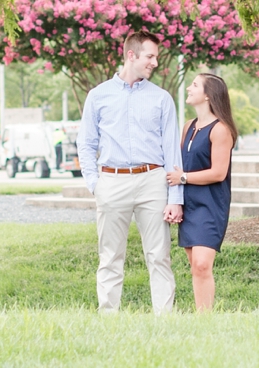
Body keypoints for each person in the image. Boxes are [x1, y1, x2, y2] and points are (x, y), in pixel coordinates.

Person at [78, 32, 184, 313]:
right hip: (111, 181)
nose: (155, 63)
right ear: (131, 55)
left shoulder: (162, 99)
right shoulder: (98, 96)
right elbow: (86, 144)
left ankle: (165, 319)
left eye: (156, 57)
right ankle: (108, 317)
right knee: (110, 256)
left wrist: (176, 197)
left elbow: (172, 151)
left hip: (153, 181)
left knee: (159, 255)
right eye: (150, 56)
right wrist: (95, 184)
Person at [167, 73, 235, 311]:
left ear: (208, 95)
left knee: (203, 264)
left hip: (210, 205)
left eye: (194, 85)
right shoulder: (188, 126)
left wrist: (183, 178)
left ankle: (205, 318)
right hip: (189, 204)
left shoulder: (220, 130)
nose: (188, 88)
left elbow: (218, 172)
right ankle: (201, 314)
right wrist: (174, 201)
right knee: (195, 266)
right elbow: (178, 166)